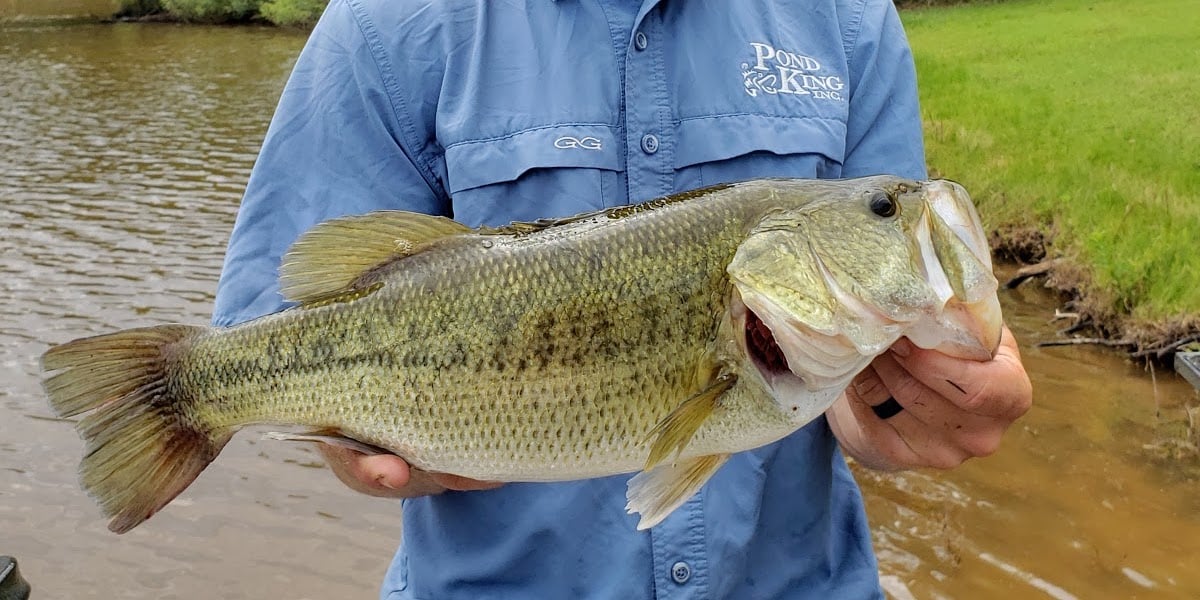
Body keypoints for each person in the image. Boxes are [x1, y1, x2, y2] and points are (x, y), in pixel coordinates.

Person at [212, 0, 1033, 598]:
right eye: (885, 211)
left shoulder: (849, 21)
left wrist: (914, 412)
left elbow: (857, 401)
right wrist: (363, 444)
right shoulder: (388, 25)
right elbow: (280, 327)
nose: (905, 212)